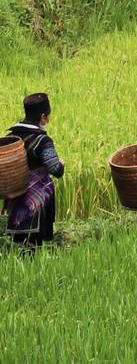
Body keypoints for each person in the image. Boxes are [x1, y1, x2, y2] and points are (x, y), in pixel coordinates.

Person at [6, 93, 63, 250]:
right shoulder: (43, 141)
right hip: (36, 199)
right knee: (33, 244)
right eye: (48, 116)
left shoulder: (12, 137)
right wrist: (61, 165)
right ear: (43, 116)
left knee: (23, 243)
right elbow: (55, 169)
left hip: (15, 198)